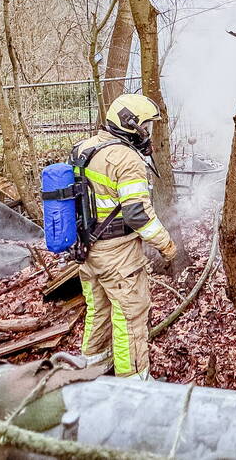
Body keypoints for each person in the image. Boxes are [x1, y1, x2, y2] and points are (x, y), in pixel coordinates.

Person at [72, 93, 177, 377]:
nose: (149, 132)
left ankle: (93, 367)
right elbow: (137, 215)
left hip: (87, 249)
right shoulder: (127, 159)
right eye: (147, 126)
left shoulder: (84, 147)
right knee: (130, 315)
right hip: (118, 254)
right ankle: (134, 383)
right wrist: (167, 245)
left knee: (98, 310)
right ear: (134, 126)